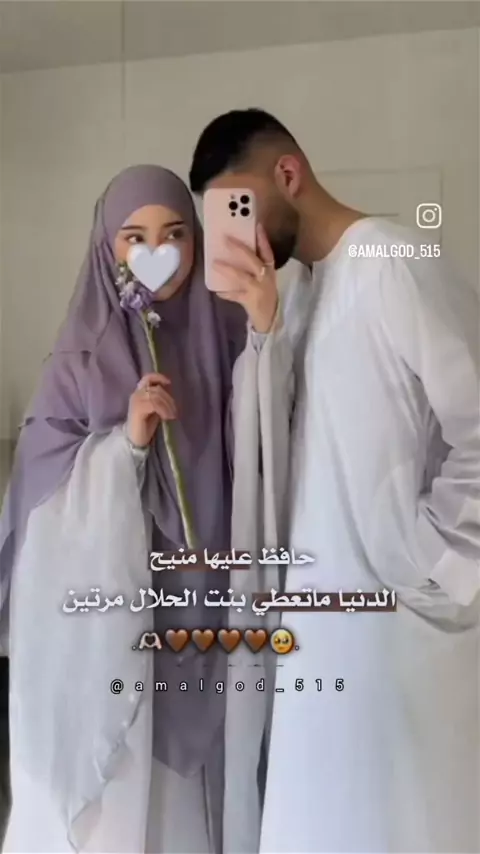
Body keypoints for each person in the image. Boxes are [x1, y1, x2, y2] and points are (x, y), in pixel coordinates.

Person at [189, 109, 480, 853]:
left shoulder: (392, 259)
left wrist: (432, 557)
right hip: (320, 633)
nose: (236, 230)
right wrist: (262, 327)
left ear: (288, 174)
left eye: (241, 205)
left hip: (401, 630)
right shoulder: (304, 294)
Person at [0, 164, 280, 853]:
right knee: (128, 800)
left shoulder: (231, 334)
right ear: (108, 247)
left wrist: (267, 330)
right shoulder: (80, 360)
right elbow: (37, 498)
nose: (158, 252)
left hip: (213, 603)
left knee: (205, 796)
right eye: (135, 237)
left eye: (176, 233)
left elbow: (276, 440)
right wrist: (123, 448)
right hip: (119, 618)